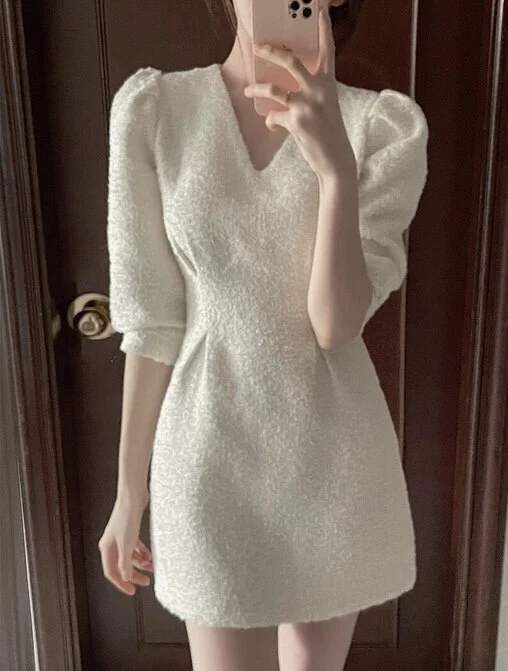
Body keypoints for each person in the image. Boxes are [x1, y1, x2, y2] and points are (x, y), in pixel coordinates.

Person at [98, 0, 428, 668]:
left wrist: (334, 169)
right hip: (206, 451)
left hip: (331, 459)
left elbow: (334, 325)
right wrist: (128, 493)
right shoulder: (156, 112)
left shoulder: (381, 128)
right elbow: (152, 319)